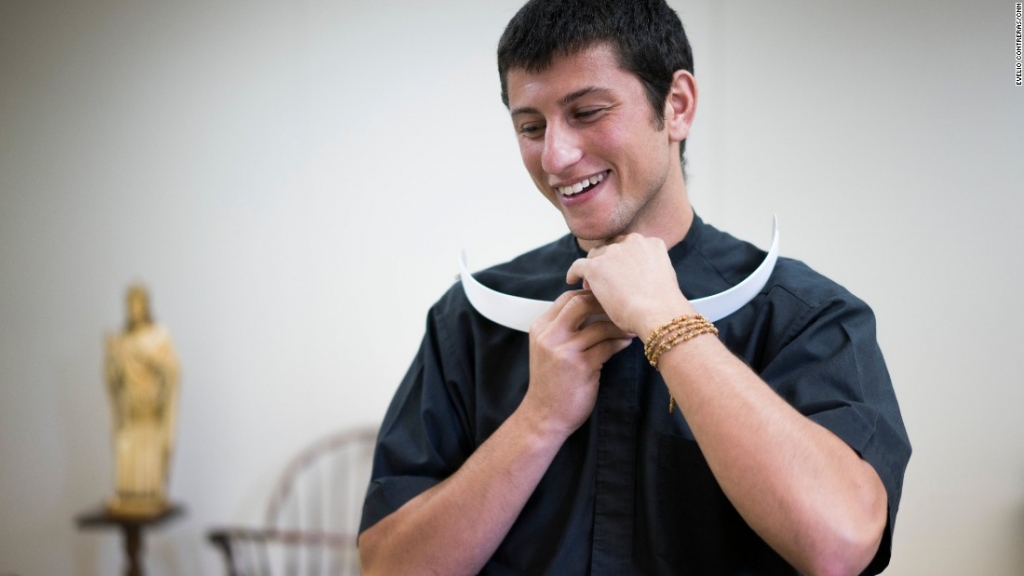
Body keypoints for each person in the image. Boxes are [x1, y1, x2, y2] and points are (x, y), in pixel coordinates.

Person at [359, 0, 911, 574]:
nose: (556, 156)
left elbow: (841, 543)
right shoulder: (469, 321)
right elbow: (387, 567)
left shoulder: (805, 316)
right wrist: (538, 419)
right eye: (530, 127)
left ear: (676, 106)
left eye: (588, 112)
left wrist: (671, 325)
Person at [104, 284, 180, 515]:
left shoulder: (158, 337)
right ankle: (128, 493)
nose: (133, 310)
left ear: (146, 307)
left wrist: (148, 357)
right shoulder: (122, 340)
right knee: (128, 443)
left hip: (150, 407)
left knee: (149, 447)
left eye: (138, 305)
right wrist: (113, 357)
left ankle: (150, 492)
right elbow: (113, 376)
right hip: (130, 409)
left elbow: (172, 369)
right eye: (130, 305)